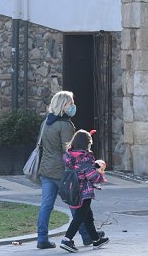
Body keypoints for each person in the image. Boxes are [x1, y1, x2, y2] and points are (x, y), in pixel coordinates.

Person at [36, 91, 98, 249]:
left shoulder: (46, 123)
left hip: (46, 170)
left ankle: (42, 238)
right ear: (63, 105)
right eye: (70, 103)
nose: (73, 106)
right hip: (64, 172)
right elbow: (70, 150)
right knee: (77, 204)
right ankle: (86, 236)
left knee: (46, 205)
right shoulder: (65, 125)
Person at [59, 130, 110, 253]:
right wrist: (100, 174)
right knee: (80, 216)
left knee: (88, 216)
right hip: (84, 191)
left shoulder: (70, 156)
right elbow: (92, 176)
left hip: (74, 190)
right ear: (87, 144)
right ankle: (67, 239)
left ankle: (96, 239)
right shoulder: (84, 157)